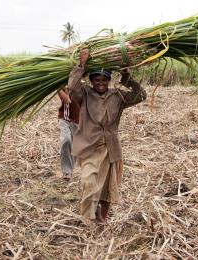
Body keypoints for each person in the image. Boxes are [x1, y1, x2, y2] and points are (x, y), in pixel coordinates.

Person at [67, 49, 147, 223]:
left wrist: (127, 78)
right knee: (89, 181)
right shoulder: (85, 94)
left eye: (104, 80)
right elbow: (72, 88)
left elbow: (141, 95)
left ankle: (101, 219)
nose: (100, 83)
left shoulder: (118, 96)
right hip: (90, 146)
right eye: (97, 80)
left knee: (107, 188)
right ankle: (87, 218)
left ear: (109, 81)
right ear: (92, 81)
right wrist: (81, 64)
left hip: (111, 147)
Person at [57, 86, 80, 179]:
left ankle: (71, 168)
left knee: (75, 147)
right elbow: (67, 100)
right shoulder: (62, 86)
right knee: (66, 140)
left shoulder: (83, 86)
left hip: (79, 121)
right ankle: (67, 171)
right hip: (65, 119)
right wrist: (58, 88)